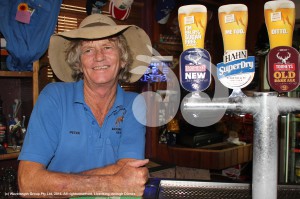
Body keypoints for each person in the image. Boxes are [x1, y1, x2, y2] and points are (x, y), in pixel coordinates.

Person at [17, 13, 152, 198]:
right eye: (88, 50)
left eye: (107, 46)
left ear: (123, 60)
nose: (98, 57)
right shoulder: (54, 97)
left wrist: (52, 182)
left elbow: (130, 174)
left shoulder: (134, 105)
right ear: (79, 63)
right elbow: (28, 183)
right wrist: (110, 183)